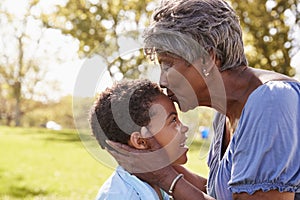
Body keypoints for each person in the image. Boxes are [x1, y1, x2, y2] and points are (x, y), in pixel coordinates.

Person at [107, 0, 300, 199]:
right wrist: (154, 164)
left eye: (167, 65)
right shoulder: (223, 115)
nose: (162, 81)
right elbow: (222, 193)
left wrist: (165, 177)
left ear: (207, 59)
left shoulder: (271, 101)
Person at [90, 79, 195, 200]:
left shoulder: (156, 183)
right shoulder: (123, 196)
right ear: (141, 141)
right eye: (173, 120)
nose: (184, 128)